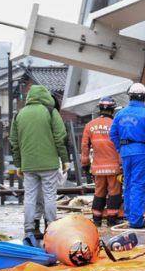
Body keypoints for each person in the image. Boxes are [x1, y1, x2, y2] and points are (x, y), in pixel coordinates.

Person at [9, 85, 69, 240]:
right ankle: (51, 227)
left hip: (28, 164)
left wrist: (18, 164)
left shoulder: (19, 115)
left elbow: (14, 142)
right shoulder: (50, 112)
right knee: (50, 195)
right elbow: (60, 137)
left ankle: (30, 229)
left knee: (30, 196)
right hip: (49, 163)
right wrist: (65, 159)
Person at [109, 83, 145, 228]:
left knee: (128, 183)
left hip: (125, 152)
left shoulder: (120, 114)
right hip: (140, 151)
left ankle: (129, 215)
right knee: (138, 185)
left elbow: (113, 134)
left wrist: (120, 148)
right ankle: (136, 220)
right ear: (144, 97)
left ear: (130, 96)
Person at [81, 96, 122, 227]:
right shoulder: (116, 124)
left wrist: (85, 164)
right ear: (113, 109)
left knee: (99, 193)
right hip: (114, 168)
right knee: (114, 193)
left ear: (99, 109)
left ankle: (97, 220)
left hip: (98, 168)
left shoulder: (89, 126)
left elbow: (84, 146)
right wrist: (122, 164)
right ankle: (111, 220)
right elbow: (121, 145)